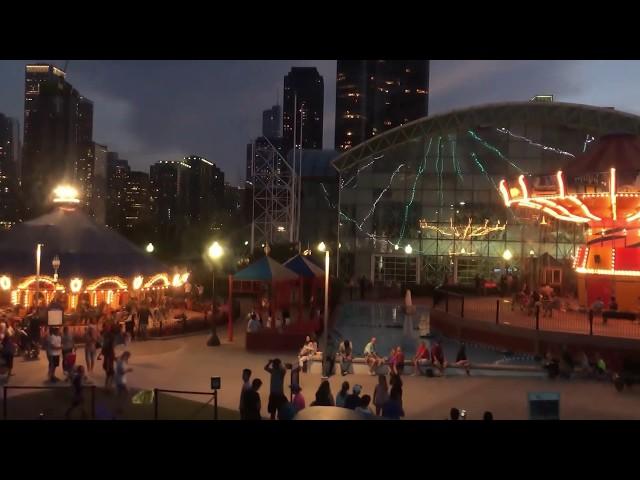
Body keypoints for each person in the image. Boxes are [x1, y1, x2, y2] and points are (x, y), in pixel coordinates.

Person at [98, 325, 116, 389]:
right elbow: (104, 345)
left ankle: (108, 385)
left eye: (107, 328)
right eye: (106, 328)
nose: (106, 329)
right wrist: (100, 354)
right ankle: (108, 385)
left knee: (109, 370)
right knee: (107, 369)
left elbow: (110, 346)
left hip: (109, 354)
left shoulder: (110, 336)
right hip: (108, 354)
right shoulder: (106, 336)